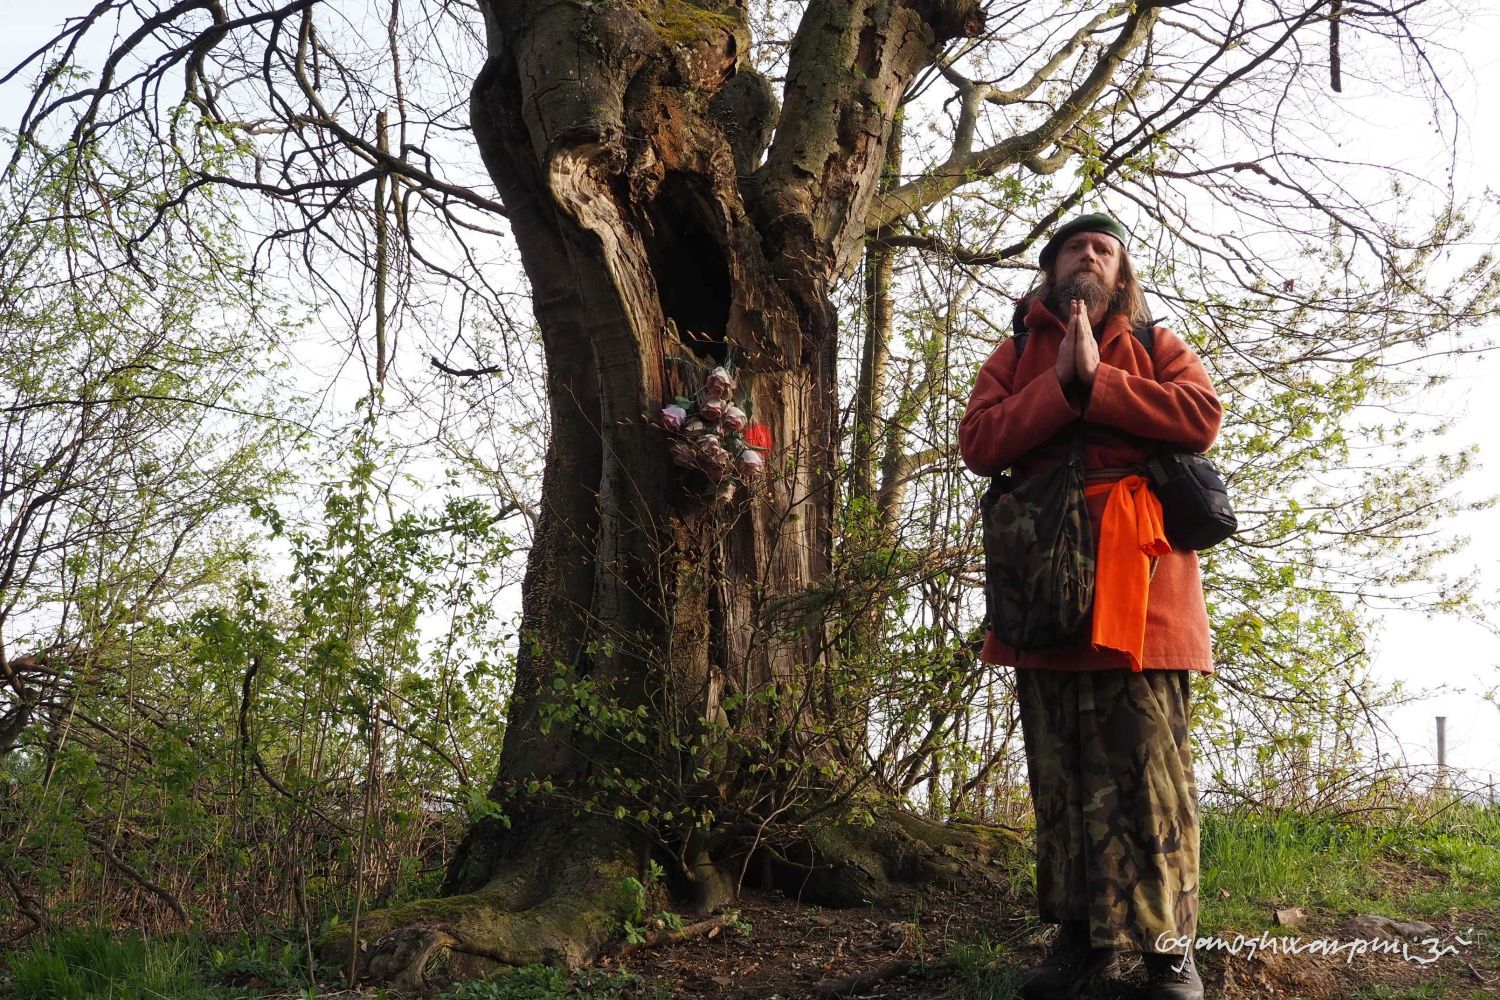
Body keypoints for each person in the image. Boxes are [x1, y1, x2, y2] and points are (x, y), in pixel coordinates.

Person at [959, 213, 1221, 1000]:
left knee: (1149, 777)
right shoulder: (1012, 354)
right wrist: (1059, 386)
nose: (1091, 255)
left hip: (1139, 597)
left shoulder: (1155, 343)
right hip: (1039, 586)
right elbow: (979, 443)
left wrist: (1101, 383)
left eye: (1105, 249)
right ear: (1051, 267)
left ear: (1121, 273)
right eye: (1076, 246)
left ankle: (1168, 955)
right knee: (1062, 777)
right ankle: (1079, 943)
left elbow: (1199, 417)